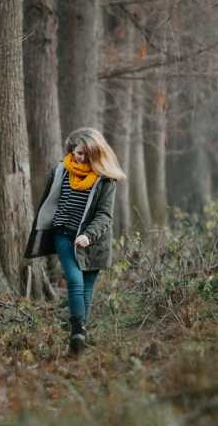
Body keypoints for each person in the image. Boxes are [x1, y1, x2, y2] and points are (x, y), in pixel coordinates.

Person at [25, 127, 126, 355]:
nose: (80, 157)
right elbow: (49, 200)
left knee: (87, 286)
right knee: (74, 279)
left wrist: (88, 235)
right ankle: (77, 329)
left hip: (94, 241)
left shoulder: (105, 180)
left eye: (85, 153)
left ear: (96, 153)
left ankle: (80, 335)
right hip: (64, 234)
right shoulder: (61, 171)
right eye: (77, 152)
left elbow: (104, 215)